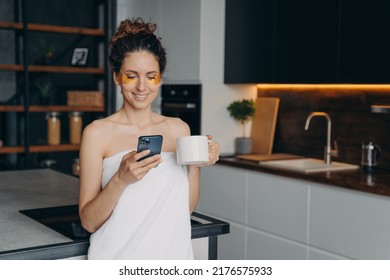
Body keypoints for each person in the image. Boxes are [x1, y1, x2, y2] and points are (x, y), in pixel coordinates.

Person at [78, 17, 220, 260]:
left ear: (160, 77)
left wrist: (198, 162)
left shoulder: (179, 130)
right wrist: (120, 180)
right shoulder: (97, 133)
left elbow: (184, 209)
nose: (142, 86)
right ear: (117, 77)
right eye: (131, 75)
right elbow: (89, 222)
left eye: (151, 76)